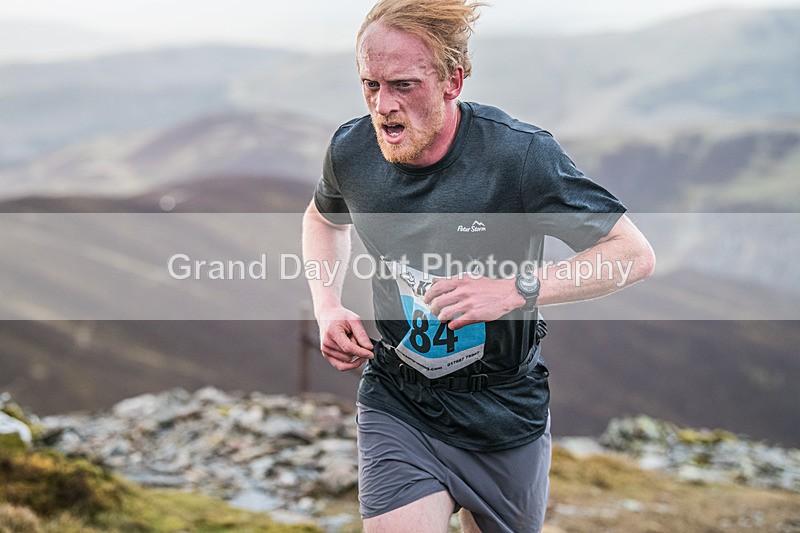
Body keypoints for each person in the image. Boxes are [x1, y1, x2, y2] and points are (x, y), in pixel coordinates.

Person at [301, 1, 655, 531]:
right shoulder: (352, 150)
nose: (383, 105)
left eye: (403, 85)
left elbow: (632, 253)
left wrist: (516, 290)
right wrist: (327, 306)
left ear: (453, 80)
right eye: (370, 84)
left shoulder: (520, 157)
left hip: (503, 411)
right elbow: (323, 218)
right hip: (400, 398)